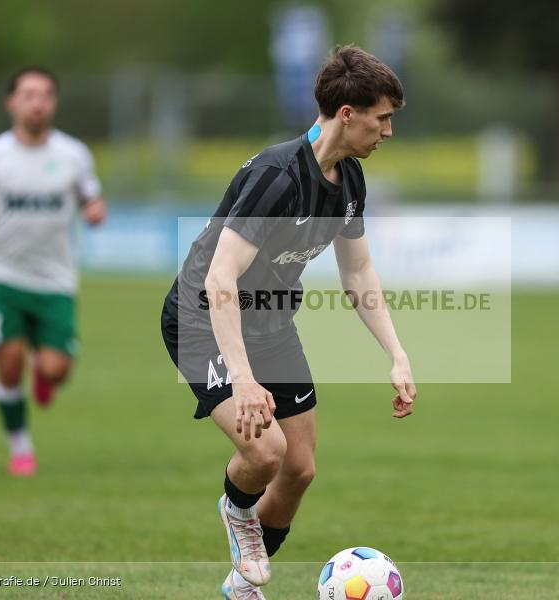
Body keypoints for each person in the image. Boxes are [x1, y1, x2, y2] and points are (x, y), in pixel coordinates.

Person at [160, 45, 417, 600]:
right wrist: (244, 380)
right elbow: (220, 280)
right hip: (202, 320)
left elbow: (359, 271)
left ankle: (239, 586)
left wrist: (396, 354)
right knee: (266, 450)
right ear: (347, 114)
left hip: (271, 324)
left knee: (299, 469)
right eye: (383, 117)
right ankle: (236, 511)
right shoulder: (277, 176)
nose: (388, 131)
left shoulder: (350, 182)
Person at [0, 67, 107, 477]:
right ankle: (20, 448)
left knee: (55, 369)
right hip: (3, 276)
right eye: (28, 94)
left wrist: (94, 209)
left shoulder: (73, 154)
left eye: (46, 94)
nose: (37, 102)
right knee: (9, 359)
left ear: (54, 103)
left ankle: (44, 375)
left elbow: (92, 196)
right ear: (11, 102)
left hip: (56, 280)